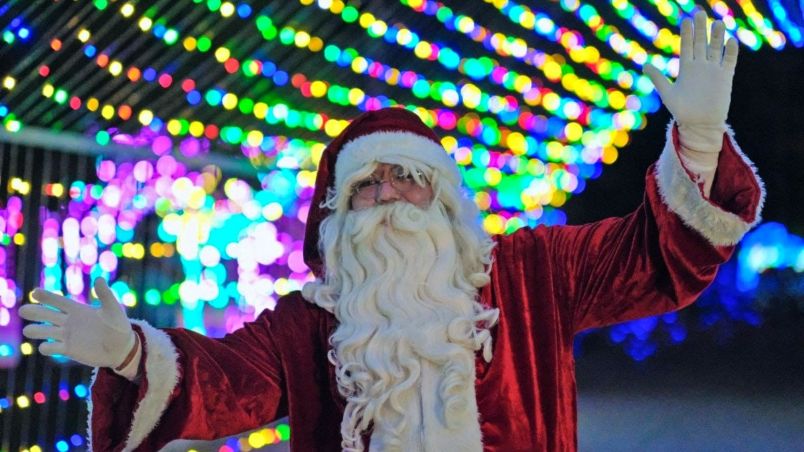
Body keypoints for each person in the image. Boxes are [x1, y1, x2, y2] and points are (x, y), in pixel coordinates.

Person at [19, 11, 764, 452]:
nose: (389, 197)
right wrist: (127, 351)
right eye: (367, 186)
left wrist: (697, 144)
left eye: (408, 178)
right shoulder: (307, 325)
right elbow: (226, 387)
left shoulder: (531, 273)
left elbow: (653, 259)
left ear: (445, 199)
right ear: (338, 219)